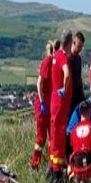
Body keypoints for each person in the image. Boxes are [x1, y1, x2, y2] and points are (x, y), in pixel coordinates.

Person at [48, 29, 74, 183]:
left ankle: (52, 169)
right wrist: (65, 87)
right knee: (58, 137)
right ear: (69, 43)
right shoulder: (63, 57)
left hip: (54, 102)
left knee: (54, 135)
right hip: (60, 103)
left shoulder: (55, 55)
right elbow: (66, 73)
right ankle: (57, 174)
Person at [30, 40, 56, 170]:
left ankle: (52, 164)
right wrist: (41, 102)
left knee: (52, 136)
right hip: (44, 101)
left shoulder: (56, 62)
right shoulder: (47, 62)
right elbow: (39, 83)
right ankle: (35, 164)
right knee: (41, 138)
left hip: (50, 101)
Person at [69, 31, 86, 111]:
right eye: (79, 47)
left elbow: (79, 76)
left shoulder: (78, 58)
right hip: (70, 92)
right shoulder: (68, 58)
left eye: (81, 47)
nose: (80, 49)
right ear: (73, 43)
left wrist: (82, 91)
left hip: (78, 92)